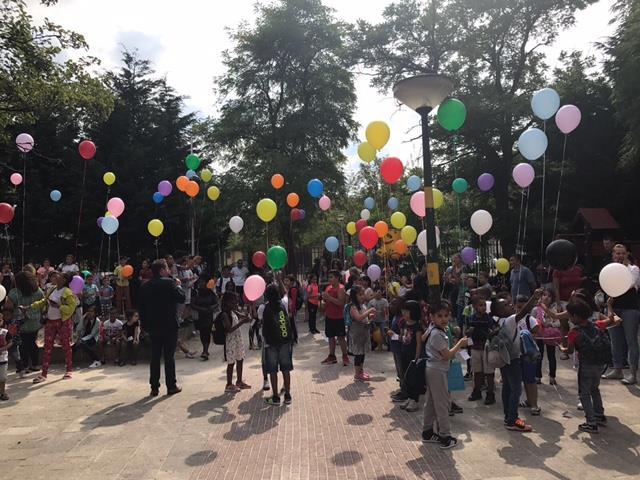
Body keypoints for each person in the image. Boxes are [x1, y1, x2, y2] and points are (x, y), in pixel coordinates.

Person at [561, 299, 619, 434]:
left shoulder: (573, 332)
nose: (570, 319)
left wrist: (562, 348)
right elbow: (613, 319)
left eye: (570, 316)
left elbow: (569, 351)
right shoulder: (597, 325)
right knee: (595, 389)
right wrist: (610, 306)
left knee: (584, 393)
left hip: (586, 365)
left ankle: (591, 422)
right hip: (600, 364)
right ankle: (599, 415)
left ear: (575, 316)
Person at [490, 288, 542, 432]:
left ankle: (508, 417)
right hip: (512, 359)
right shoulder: (510, 320)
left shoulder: (498, 321)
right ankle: (513, 420)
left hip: (504, 359)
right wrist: (534, 297)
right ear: (499, 311)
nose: (510, 305)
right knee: (516, 390)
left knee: (507, 387)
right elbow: (524, 312)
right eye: (505, 305)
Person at [421, 299, 468, 450]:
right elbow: (447, 355)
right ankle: (445, 436)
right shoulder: (437, 334)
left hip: (433, 368)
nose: (443, 319)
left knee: (432, 403)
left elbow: (423, 338)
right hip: (437, 370)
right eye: (439, 316)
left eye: (446, 315)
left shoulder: (433, 329)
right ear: (432, 317)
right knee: (442, 404)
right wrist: (460, 344)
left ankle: (427, 432)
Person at [138, 259, 185, 396]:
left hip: (153, 326)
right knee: (169, 356)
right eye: (167, 268)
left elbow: (141, 308)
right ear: (162, 270)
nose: (169, 271)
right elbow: (181, 298)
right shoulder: (170, 283)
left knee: (155, 356)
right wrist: (178, 286)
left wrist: (144, 325)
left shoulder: (145, 286)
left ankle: (154, 387)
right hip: (170, 325)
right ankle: (171, 386)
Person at [23, 272, 78, 383]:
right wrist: (29, 307)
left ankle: (69, 370)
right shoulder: (52, 289)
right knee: (47, 348)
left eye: (59, 276)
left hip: (63, 323)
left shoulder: (68, 292)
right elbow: (44, 302)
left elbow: (72, 308)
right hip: (50, 322)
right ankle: (44, 374)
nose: (56, 277)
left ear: (64, 280)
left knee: (66, 346)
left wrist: (59, 306)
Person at [602, 244, 639, 384]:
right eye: (617, 253)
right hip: (613, 309)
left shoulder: (634, 269)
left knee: (631, 341)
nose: (620, 255)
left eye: (622, 253)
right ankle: (617, 369)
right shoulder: (609, 270)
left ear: (627, 254)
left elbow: (629, 284)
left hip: (629, 309)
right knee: (615, 341)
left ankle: (633, 373)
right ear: (613, 255)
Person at [262, 284, 297, 405]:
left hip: (271, 343)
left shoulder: (265, 308)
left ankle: (275, 397)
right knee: (286, 369)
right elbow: (286, 293)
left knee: (272, 370)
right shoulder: (284, 303)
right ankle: (287, 395)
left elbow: (263, 325)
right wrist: (280, 279)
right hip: (285, 342)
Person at [6, 271, 44, 373]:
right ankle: (35, 365)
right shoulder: (38, 291)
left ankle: (25, 366)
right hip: (36, 322)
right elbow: (43, 305)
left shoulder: (14, 292)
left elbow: (8, 307)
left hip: (21, 324)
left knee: (22, 346)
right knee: (34, 344)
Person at [466, 296, 496, 405]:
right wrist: (469, 331)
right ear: (474, 306)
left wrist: (492, 333)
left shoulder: (488, 318)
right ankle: (477, 391)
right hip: (475, 347)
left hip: (486, 348)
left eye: (484, 305)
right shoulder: (471, 318)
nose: (483, 307)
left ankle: (490, 393)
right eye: (481, 305)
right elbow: (466, 332)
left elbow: (494, 328)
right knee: (477, 371)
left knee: (489, 372)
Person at [515, 295, 542, 416]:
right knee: (521, 380)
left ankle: (534, 404)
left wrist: (525, 334)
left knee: (530, 380)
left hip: (528, 355)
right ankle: (528, 400)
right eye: (518, 306)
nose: (520, 309)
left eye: (523, 307)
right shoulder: (513, 318)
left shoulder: (530, 319)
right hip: (516, 354)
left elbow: (537, 332)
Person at [220, 291, 252, 393]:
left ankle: (239, 381)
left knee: (240, 359)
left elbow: (242, 315)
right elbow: (229, 329)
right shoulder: (224, 314)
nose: (236, 303)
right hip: (230, 341)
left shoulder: (233, 311)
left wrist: (246, 316)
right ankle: (229, 384)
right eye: (234, 301)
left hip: (238, 339)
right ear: (228, 302)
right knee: (231, 362)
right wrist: (242, 322)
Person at [397, 300, 425, 412]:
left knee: (414, 378)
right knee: (406, 377)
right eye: (403, 310)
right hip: (404, 353)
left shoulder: (417, 326)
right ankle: (409, 398)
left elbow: (419, 343)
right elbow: (401, 337)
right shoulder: (403, 323)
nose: (404, 312)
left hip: (413, 356)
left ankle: (415, 400)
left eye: (406, 311)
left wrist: (417, 357)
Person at [531, 288, 561, 385]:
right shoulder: (536, 309)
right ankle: (537, 376)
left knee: (551, 355)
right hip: (539, 334)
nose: (546, 297)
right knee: (539, 355)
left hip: (550, 336)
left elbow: (558, 323)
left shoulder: (553, 310)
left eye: (549, 296)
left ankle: (552, 376)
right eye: (544, 295)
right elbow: (531, 321)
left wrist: (550, 324)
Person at [320, 270, 349, 366]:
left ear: (337, 278)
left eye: (331, 277)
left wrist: (329, 298)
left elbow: (341, 302)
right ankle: (332, 356)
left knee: (341, 337)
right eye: (329, 277)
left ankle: (345, 356)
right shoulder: (328, 288)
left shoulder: (341, 288)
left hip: (338, 317)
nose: (330, 279)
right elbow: (326, 301)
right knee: (331, 337)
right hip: (329, 316)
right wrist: (323, 302)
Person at [349, 285, 376, 382]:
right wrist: (369, 311)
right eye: (360, 295)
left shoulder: (362, 305)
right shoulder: (353, 307)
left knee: (363, 353)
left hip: (364, 332)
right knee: (358, 354)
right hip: (357, 334)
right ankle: (357, 373)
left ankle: (361, 370)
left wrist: (370, 317)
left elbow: (365, 318)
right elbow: (359, 318)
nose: (362, 296)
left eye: (362, 294)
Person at [191, 277, 219, 360]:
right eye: (200, 282)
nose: (201, 284)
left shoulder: (211, 292)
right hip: (200, 315)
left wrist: (210, 308)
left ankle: (205, 350)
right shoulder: (196, 292)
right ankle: (205, 347)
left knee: (207, 331)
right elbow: (192, 304)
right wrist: (200, 309)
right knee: (202, 332)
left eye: (203, 282)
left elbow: (216, 303)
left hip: (209, 315)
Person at [0, 312, 13, 400]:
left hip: (2, 358)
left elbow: (10, 342)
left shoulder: (5, 332)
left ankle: (2, 393)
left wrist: (3, 348)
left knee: (2, 377)